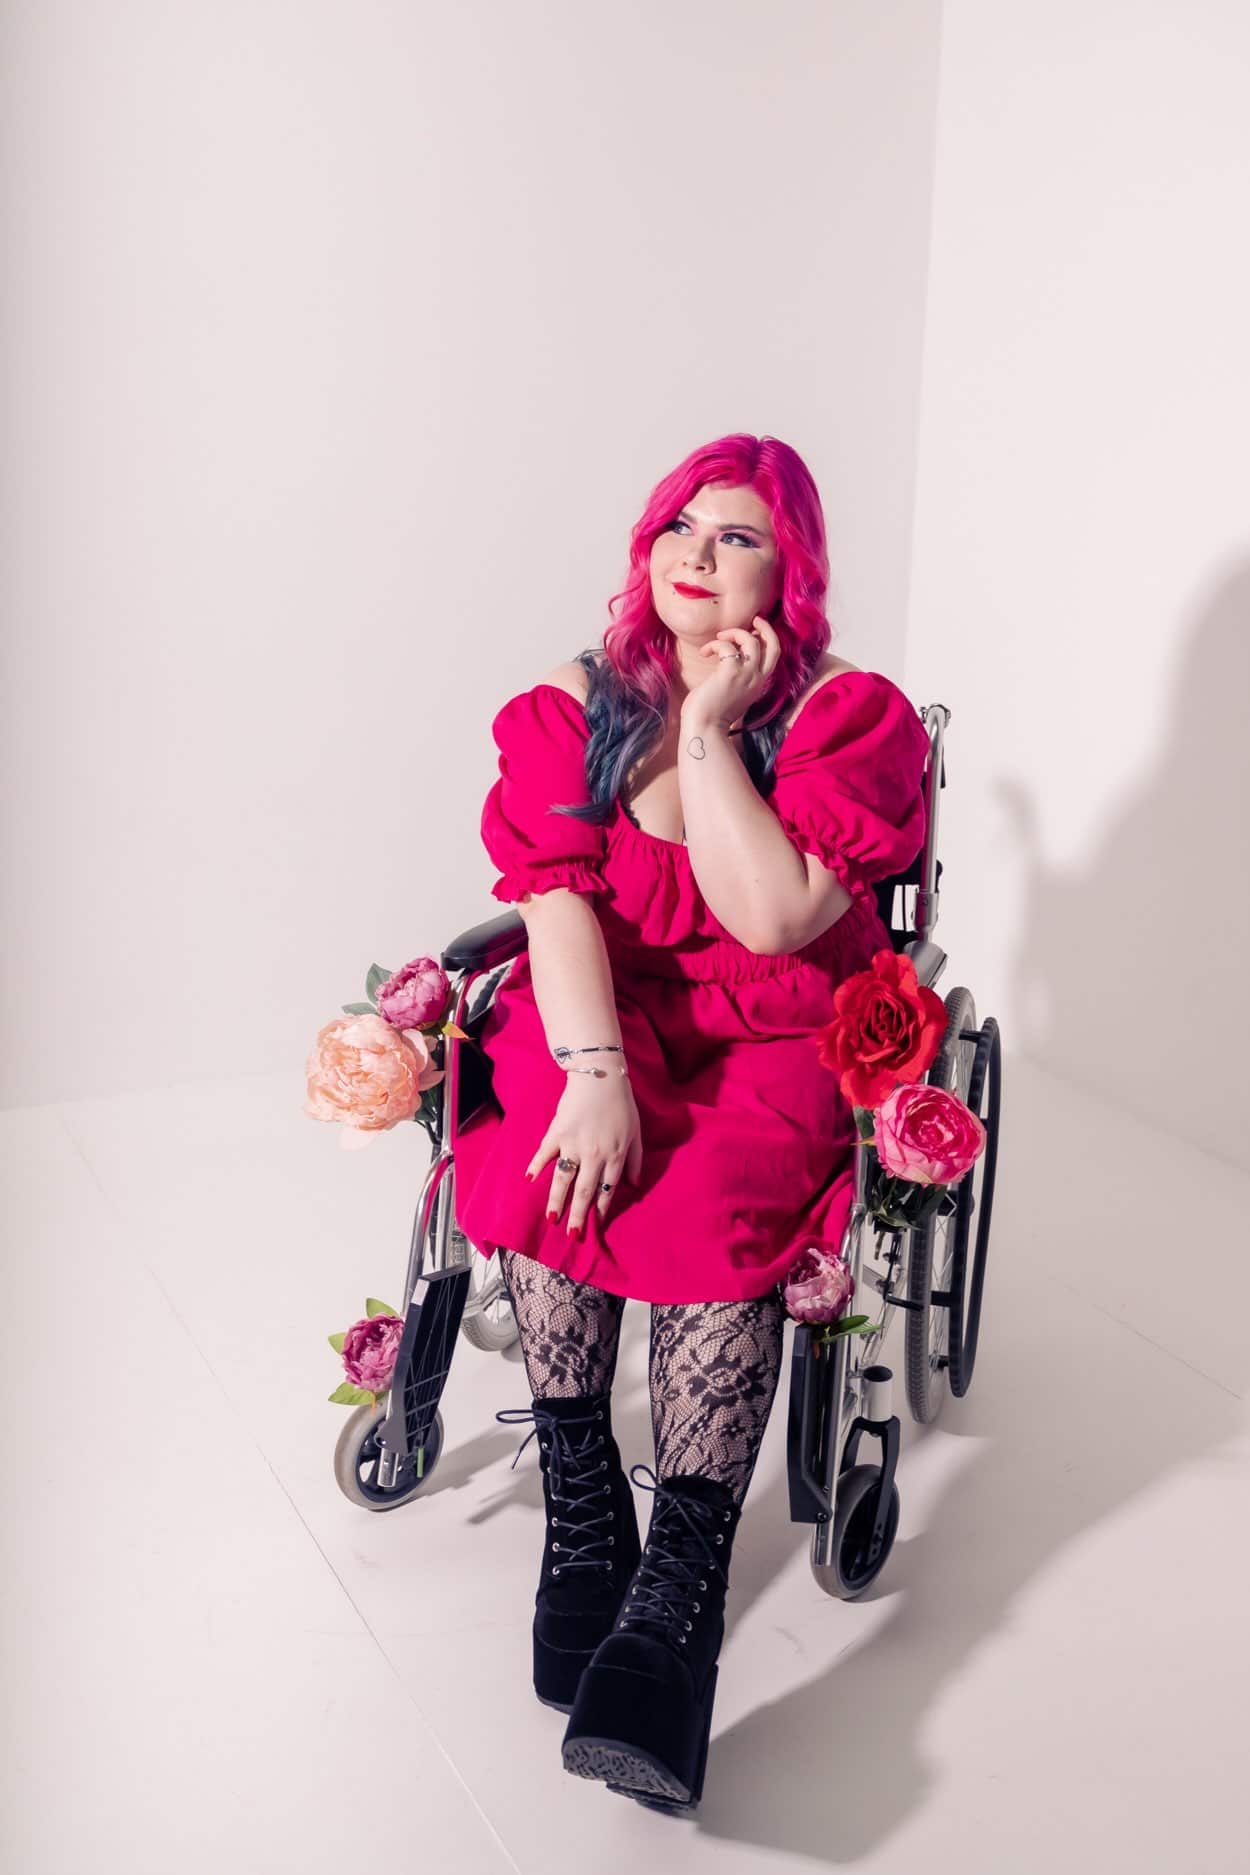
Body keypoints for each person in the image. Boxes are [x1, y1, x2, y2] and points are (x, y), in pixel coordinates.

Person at [453, 432, 932, 1814]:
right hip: (609, 1009)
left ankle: (674, 1598)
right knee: (551, 1129)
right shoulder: (572, 702)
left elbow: (774, 918)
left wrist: (716, 731)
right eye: (677, 523)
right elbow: (554, 902)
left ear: (795, 570)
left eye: (735, 539)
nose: (691, 554)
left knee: (717, 1187)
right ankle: (584, 1496)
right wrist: (594, 1067)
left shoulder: (849, 717)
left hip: (776, 1027)